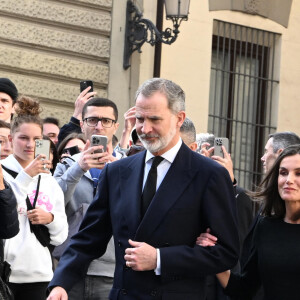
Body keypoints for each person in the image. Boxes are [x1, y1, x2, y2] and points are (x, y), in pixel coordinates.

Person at [47, 78, 239, 300]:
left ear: (180, 119)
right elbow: (89, 238)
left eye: (154, 119)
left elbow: (226, 253)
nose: (145, 129)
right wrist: (61, 282)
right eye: (139, 119)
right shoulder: (117, 172)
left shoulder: (209, 174)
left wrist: (159, 259)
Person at [198, 144, 300, 300]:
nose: (289, 180)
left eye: (298, 174)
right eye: (283, 173)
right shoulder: (265, 225)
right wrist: (212, 252)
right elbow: (244, 288)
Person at [52, 97, 125, 300]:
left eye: (106, 121)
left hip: (110, 270)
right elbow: (52, 205)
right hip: (69, 268)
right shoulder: (66, 165)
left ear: (115, 126)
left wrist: (118, 172)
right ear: (82, 124)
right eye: (92, 120)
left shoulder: (128, 167)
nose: (99, 126)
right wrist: (78, 168)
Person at [2, 95, 68, 300]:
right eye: (23, 138)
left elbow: (60, 236)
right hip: (5, 274)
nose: (30, 144)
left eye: (36, 140)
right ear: (12, 140)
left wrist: (50, 219)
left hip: (39, 275)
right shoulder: (2, 173)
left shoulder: (48, 181)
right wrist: (25, 176)